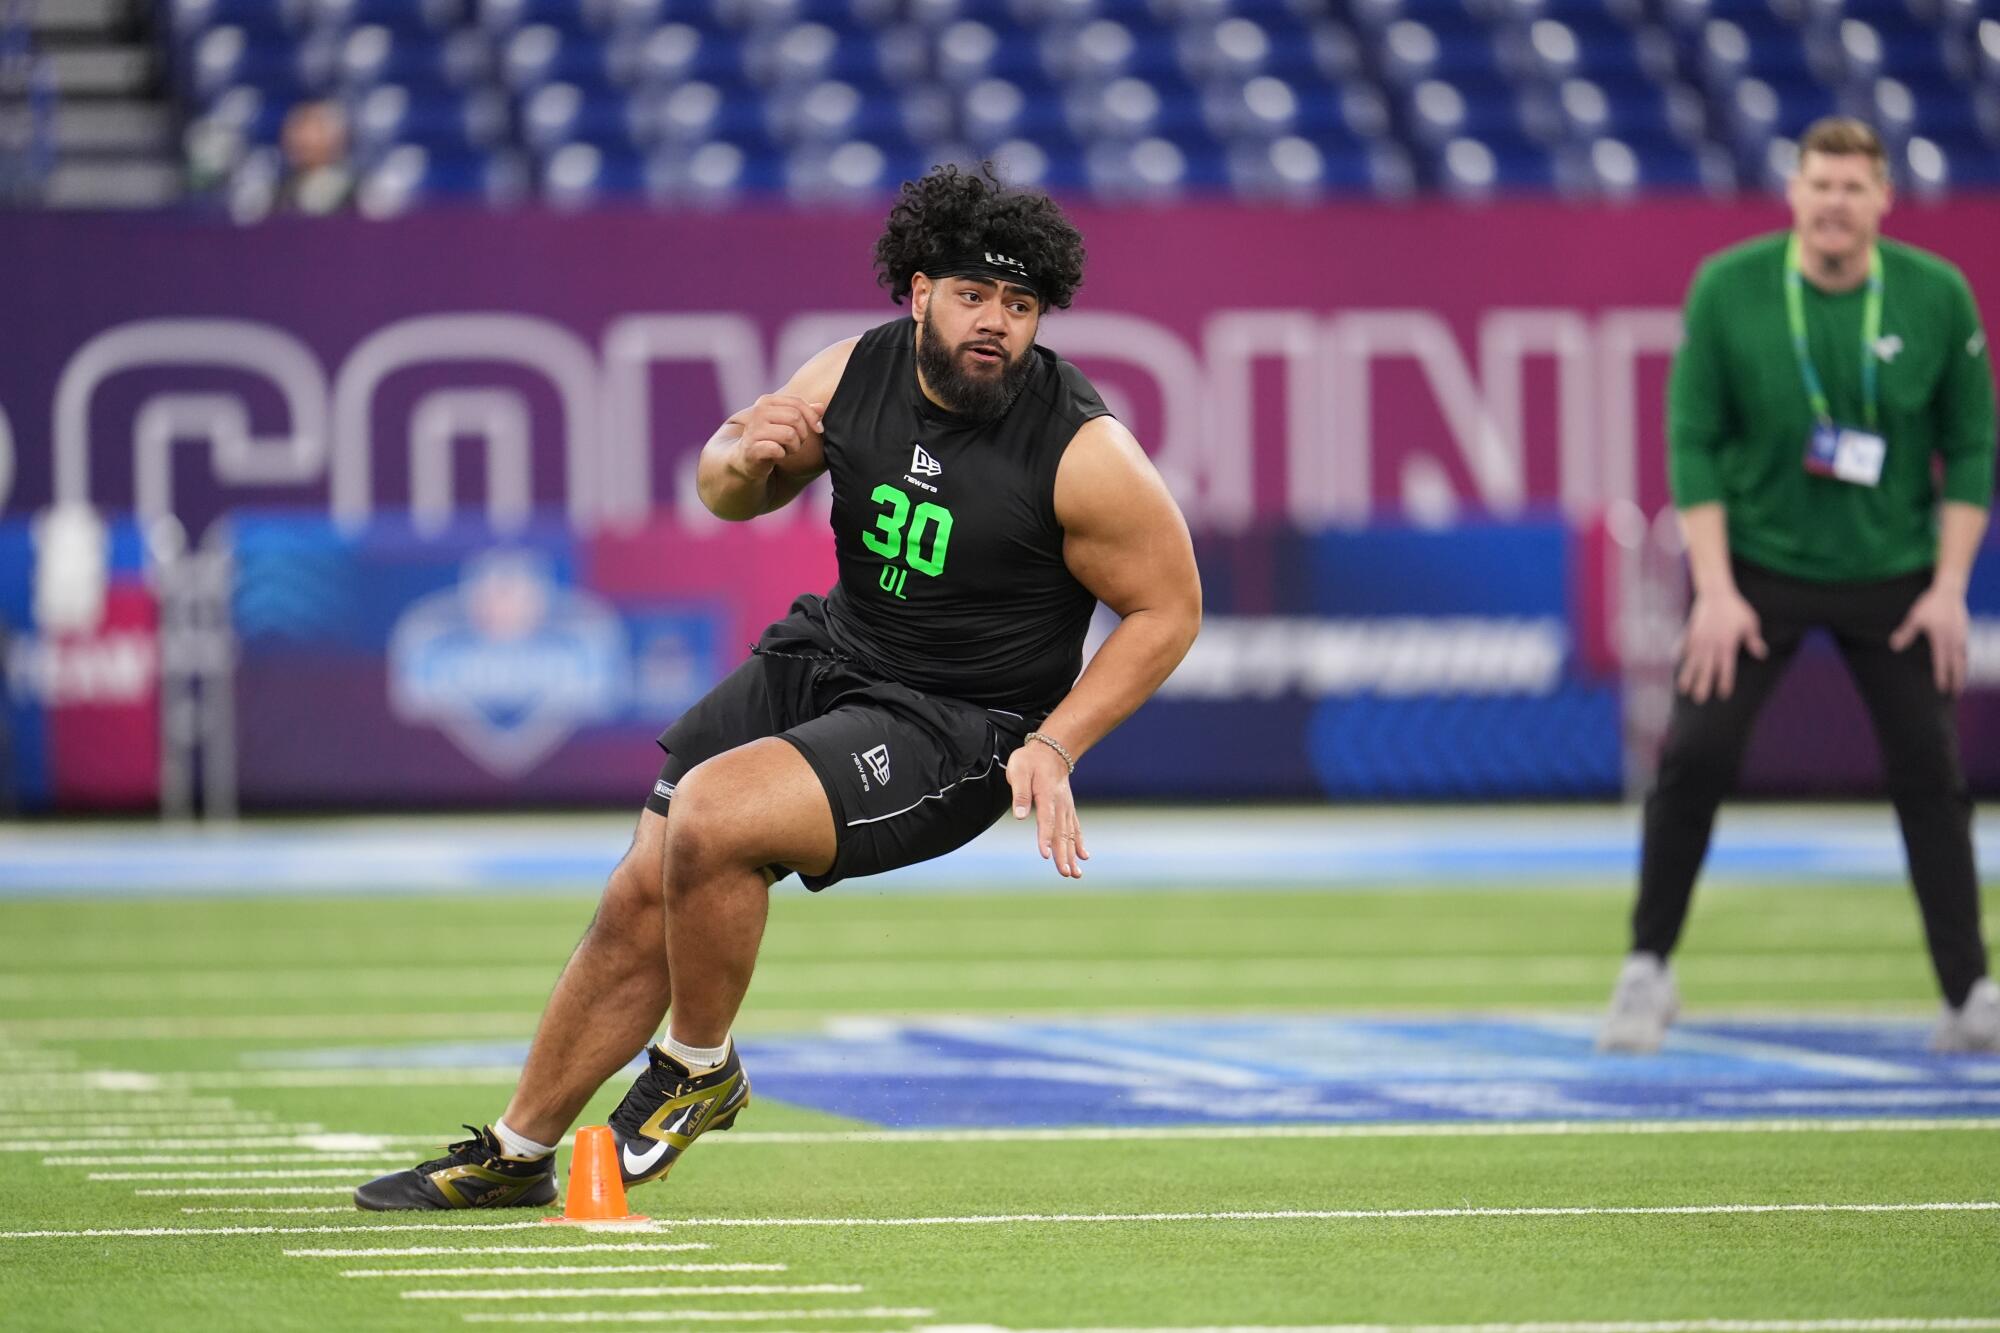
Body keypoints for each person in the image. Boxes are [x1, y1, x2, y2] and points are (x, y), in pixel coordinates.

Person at [355, 162, 1203, 1209]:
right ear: (919, 289)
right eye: (975, 295)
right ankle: (519, 1150)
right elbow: (727, 490)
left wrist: (1055, 742)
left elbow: (1170, 609)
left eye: (1020, 305)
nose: (995, 323)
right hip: (831, 656)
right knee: (644, 883)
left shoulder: (1081, 449)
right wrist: (743, 454)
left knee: (714, 818)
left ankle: (696, 1068)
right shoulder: (856, 369)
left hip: (957, 722)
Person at [1598, 117, 1998, 1055]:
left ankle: (1970, 992)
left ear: (1883, 200)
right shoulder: (1731, 287)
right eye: (1820, 184)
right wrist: (1717, 588)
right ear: (1795, 193)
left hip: (1894, 574)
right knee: (1693, 756)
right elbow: (1691, 438)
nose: (1834, 203)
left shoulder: (1937, 297)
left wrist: (1948, 586)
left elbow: (1972, 443)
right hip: (1754, 573)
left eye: (1854, 188)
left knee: (1931, 777)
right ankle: (1647, 966)